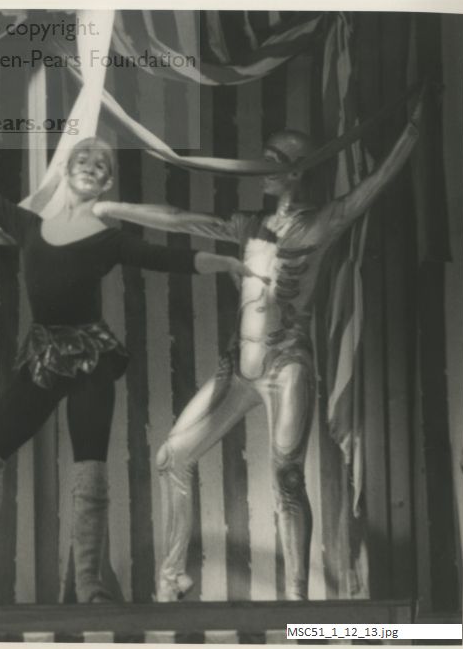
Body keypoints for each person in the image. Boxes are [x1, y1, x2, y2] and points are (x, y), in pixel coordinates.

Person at [0, 131, 260, 604]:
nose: (91, 166)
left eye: (101, 165)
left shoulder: (107, 238)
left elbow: (166, 257)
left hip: (91, 360)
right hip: (44, 358)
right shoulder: (26, 224)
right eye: (83, 159)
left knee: (89, 469)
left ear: (105, 184)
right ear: (67, 167)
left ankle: (88, 584)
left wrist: (222, 260)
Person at [93, 96, 422, 601]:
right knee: (171, 456)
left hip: (286, 362)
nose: (263, 169)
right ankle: (171, 577)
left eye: (274, 161)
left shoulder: (323, 220)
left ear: (298, 172)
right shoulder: (251, 224)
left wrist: (414, 127)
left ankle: (295, 600)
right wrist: (112, 208)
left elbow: (373, 187)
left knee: (287, 476)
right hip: (239, 364)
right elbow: (181, 218)